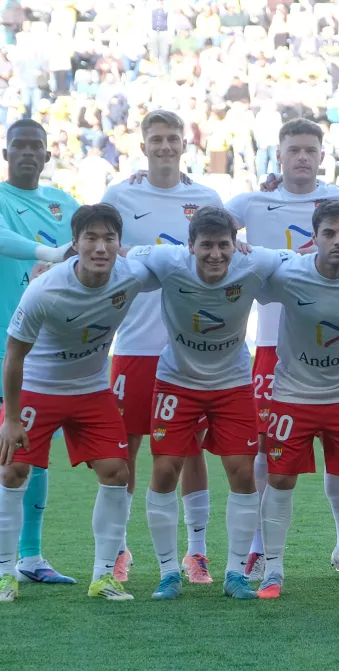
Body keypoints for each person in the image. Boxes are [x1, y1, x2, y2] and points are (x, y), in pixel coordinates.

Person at [225, 119, 339, 583]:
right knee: (266, 454)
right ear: (278, 155)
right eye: (293, 149)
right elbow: (206, 229)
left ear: (322, 155)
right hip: (273, 348)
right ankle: (259, 550)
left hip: (335, 355)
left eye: (310, 150)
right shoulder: (252, 200)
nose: (302, 156)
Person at [0, 204, 160, 603]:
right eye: (91, 238)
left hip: (91, 390)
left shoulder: (132, 276)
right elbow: (13, 355)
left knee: (117, 471)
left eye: (109, 239)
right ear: (75, 243)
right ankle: (4, 575)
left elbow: (180, 263)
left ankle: (104, 577)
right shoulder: (45, 290)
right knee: (12, 472)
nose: (100, 247)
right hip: (38, 388)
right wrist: (11, 418)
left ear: (119, 244)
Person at [124, 206, 284, 601]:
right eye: (207, 245)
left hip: (232, 384)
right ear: (190, 245)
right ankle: (168, 574)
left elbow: (305, 261)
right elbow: (120, 253)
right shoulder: (168, 260)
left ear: (236, 244)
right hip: (176, 381)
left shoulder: (254, 261)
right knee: (165, 470)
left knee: (242, 472)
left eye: (224, 245)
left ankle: (235, 574)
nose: (216, 254)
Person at [101, 109, 224, 585]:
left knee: (190, 448)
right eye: (157, 139)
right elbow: (101, 251)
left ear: (184, 145)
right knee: (125, 449)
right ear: (143, 146)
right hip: (135, 342)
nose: (166, 146)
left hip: (191, 348)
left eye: (173, 138)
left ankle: (197, 552)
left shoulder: (206, 198)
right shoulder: (120, 196)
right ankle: (118, 548)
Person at [255, 200, 339, 599]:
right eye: (329, 233)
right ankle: (273, 571)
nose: (338, 241)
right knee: (279, 479)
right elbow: (248, 277)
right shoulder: (288, 273)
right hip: (293, 395)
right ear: (313, 237)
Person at [0, 118, 78, 590]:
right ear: (6, 153)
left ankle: (31, 555)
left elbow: (98, 239)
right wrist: (53, 254)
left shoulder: (66, 204)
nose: (28, 153)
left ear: (48, 155)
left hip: (52, 344)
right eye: (20, 146)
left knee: (38, 445)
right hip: (3, 342)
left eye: (37, 146)